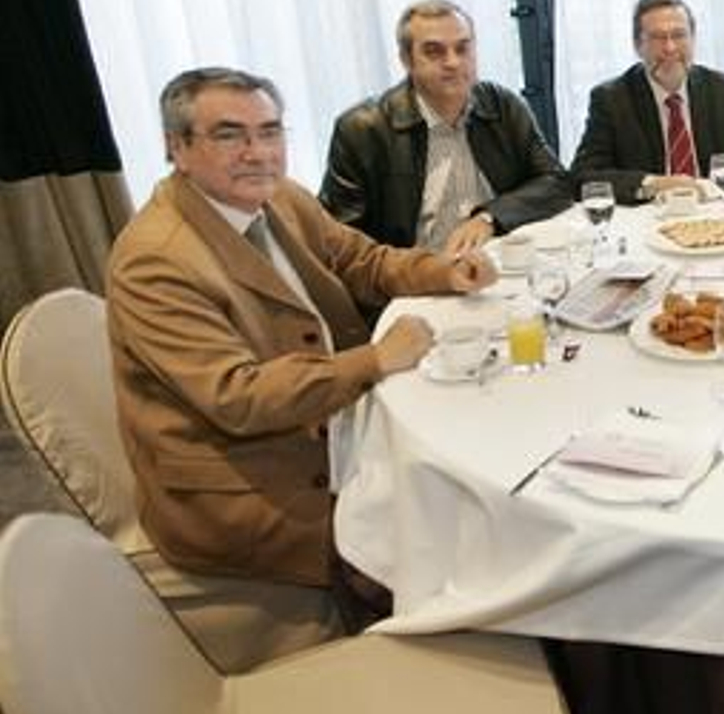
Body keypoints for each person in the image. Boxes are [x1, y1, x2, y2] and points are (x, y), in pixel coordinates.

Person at [106, 67, 497, 664]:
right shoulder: (156, 261)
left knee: (464, 464)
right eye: (230, 135)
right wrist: (375, 359)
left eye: (269, 131)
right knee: (452, 524)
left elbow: (360, 259)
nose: (257, 152)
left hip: (322, 418)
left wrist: (441, 272)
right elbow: (237, 397)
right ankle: (428, 657)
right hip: (247, 474)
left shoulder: (278, 196)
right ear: (176, 148)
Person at [320, 0, 572, 255]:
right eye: (434, 52)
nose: (453, 62)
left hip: (500, 262)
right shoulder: (362, 130)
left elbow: (556, 182)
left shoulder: (501, 105)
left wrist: (489, 218)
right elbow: (339, 241)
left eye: (463, 48)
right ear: (407, 60)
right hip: (416, 273)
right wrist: (418, 270)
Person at [569, 0, 724, 205]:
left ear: (693, 39)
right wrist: (654, 184)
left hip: (716, 213)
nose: (670, 47)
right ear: (638, 46)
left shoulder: (723, 89)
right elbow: (582, 176)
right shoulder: (611, 99)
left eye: (679, 35)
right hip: (649, 218)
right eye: (657, 38)